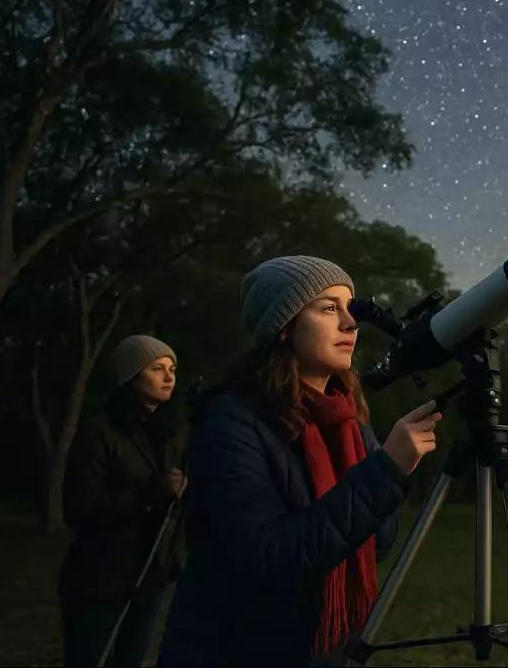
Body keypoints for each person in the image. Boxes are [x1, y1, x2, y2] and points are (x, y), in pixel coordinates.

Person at [159, 256, 442, 667]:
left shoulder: (347, 420)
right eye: (329, 308)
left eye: (351, 309)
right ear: (284, 326)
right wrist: (385, 472)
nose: (350, 323)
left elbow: (376, 544)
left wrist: (391, 474)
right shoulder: (230, 422)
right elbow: (270, 555)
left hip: (322, 647)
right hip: (238, 649)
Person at [59, 334, 189, 668]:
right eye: (157, 368)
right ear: (131, 375)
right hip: (100, 577)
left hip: (151, 576)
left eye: (172, 368)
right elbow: (79, 508)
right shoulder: (99, 433)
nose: (169, 376)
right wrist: (151, 495)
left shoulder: (170, 434)